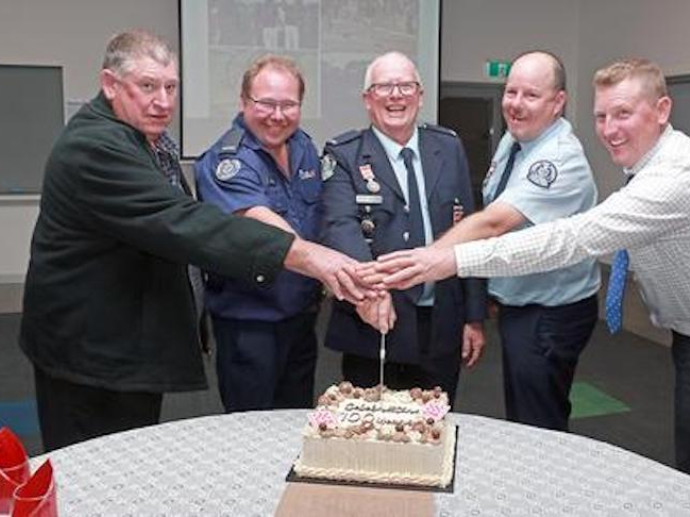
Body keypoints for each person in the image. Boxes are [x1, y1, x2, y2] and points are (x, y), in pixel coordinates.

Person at [376, 57, 690, 499]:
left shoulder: (673, 178)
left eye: (623, 114)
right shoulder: (648, 157)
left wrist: (447, 260)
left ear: (662, 110)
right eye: (602, 116)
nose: (609, 129)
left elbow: (570, 238)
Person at [19, 30, 372, 452]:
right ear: (110, 84)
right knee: (93, 467)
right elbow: (185, 222)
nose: (164, 102)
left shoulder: (146, 139)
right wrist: (315, 260)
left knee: (131, 456)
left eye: (171, 87)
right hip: (91, 355)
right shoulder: (95, 146)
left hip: (126, 341)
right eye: (147, 86)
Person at [430, 51, 599, 431]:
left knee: (538, 420)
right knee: (523, 408)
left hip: (549, 312)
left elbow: (495, 222)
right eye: (511, 92)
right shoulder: (517, 138)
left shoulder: (558, 159)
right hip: (521, 301)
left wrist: (428, 257)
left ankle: (548, 485)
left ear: (558, 103)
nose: (515, 105)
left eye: (531, 95)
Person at [320, 51, 486, 404]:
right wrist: (372, 291)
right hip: (376, 321)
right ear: (368, 99)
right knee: (370, 433)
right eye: (384, 87)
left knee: (435, 426)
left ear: (420, 95)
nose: (396, 95)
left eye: (405, 86)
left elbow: (470, 228)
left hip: (441, 322)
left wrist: (474, 316)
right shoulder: (344, 154)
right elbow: (341, 227)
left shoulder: (448, 146)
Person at [195, 56, 322, 412]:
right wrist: (333, 267)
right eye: (266, 103)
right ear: (244, 101)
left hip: (300, 317)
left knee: (296, 419)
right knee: (250, 429)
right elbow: (266, 225)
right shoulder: (225, 161)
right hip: (250, 323)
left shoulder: (304, 148)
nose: (277, 115)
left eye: (288, 105)